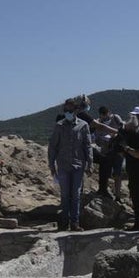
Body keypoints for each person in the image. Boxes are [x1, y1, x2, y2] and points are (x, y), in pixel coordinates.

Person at [48, 98, 93, 232]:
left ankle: (75, 223)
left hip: (78, 165)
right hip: (63, 165)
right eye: (66, 110)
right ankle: (64, 222)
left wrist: (90, 163)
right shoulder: (59, 126)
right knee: (65, 194)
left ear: (75, 110)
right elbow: (53, 147)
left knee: (76, 194)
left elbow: (87, 145)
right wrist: (51, 164)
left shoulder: (83, 125)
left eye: (70, 110)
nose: (68, 112)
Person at [93, 106, 125, 199]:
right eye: (102, 115)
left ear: (109, 112)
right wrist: (104, 142)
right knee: (105, 172)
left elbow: (122, 130)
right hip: (106, 151)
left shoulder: (115, 118)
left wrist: (114, 136)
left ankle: (118, 195)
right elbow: (97, 140)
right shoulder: (98, 124)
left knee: (117, 173)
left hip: (118, 150)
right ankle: (104, 191)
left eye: (105, 114)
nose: (104, 117)